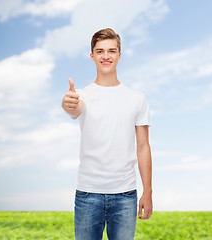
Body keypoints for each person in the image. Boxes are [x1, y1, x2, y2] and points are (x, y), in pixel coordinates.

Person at [62, 28, 152, 240]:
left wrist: (147, 191)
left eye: (111, 51)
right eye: (100, 51)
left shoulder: (137, 98)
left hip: (125, 196)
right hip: (87, 195)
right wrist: (68, 104)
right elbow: (73, 109)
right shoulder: (81, 95)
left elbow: (143, 147)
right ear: (91, 56)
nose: (106, 56)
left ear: (119, 55)